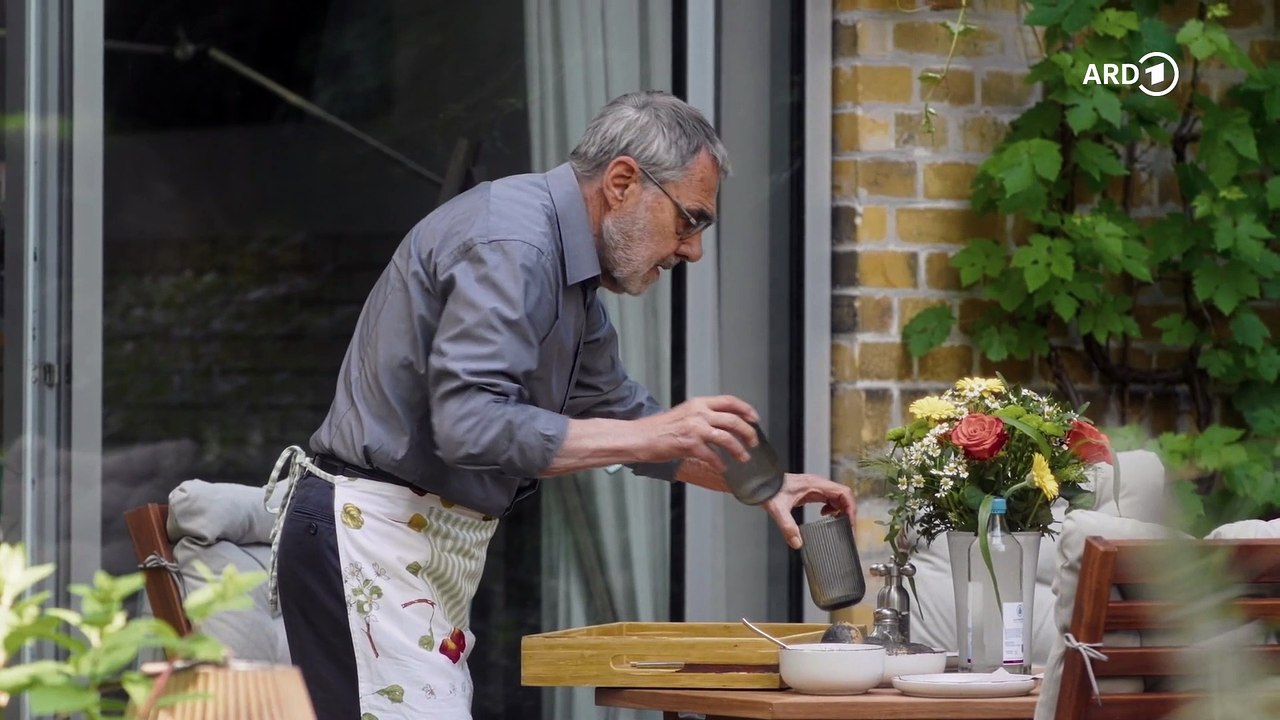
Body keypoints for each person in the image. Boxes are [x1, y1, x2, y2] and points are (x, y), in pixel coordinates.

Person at [265, 90, 856, 720]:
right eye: (690, 220)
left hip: (412, 543)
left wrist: (765, 485)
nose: (692, 250)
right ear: (622, 182)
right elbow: (471, 423)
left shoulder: (570, 271)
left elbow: (625, 417)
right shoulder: (515, 242)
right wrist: (653, 436)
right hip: (369, 533)